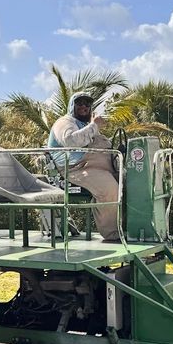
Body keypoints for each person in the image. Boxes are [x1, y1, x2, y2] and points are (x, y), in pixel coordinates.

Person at [47, 91, 120, 241]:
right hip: (75, 169)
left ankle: (128, 228)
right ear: (72, 106)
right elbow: (71, 141)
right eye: (79, 103)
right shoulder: (64, 122)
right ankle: (112, 234)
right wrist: (95, 125)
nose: (84, 106)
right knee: (109, 188)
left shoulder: (85, 125)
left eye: (87, 103)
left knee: (130, 182)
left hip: (97, 166)